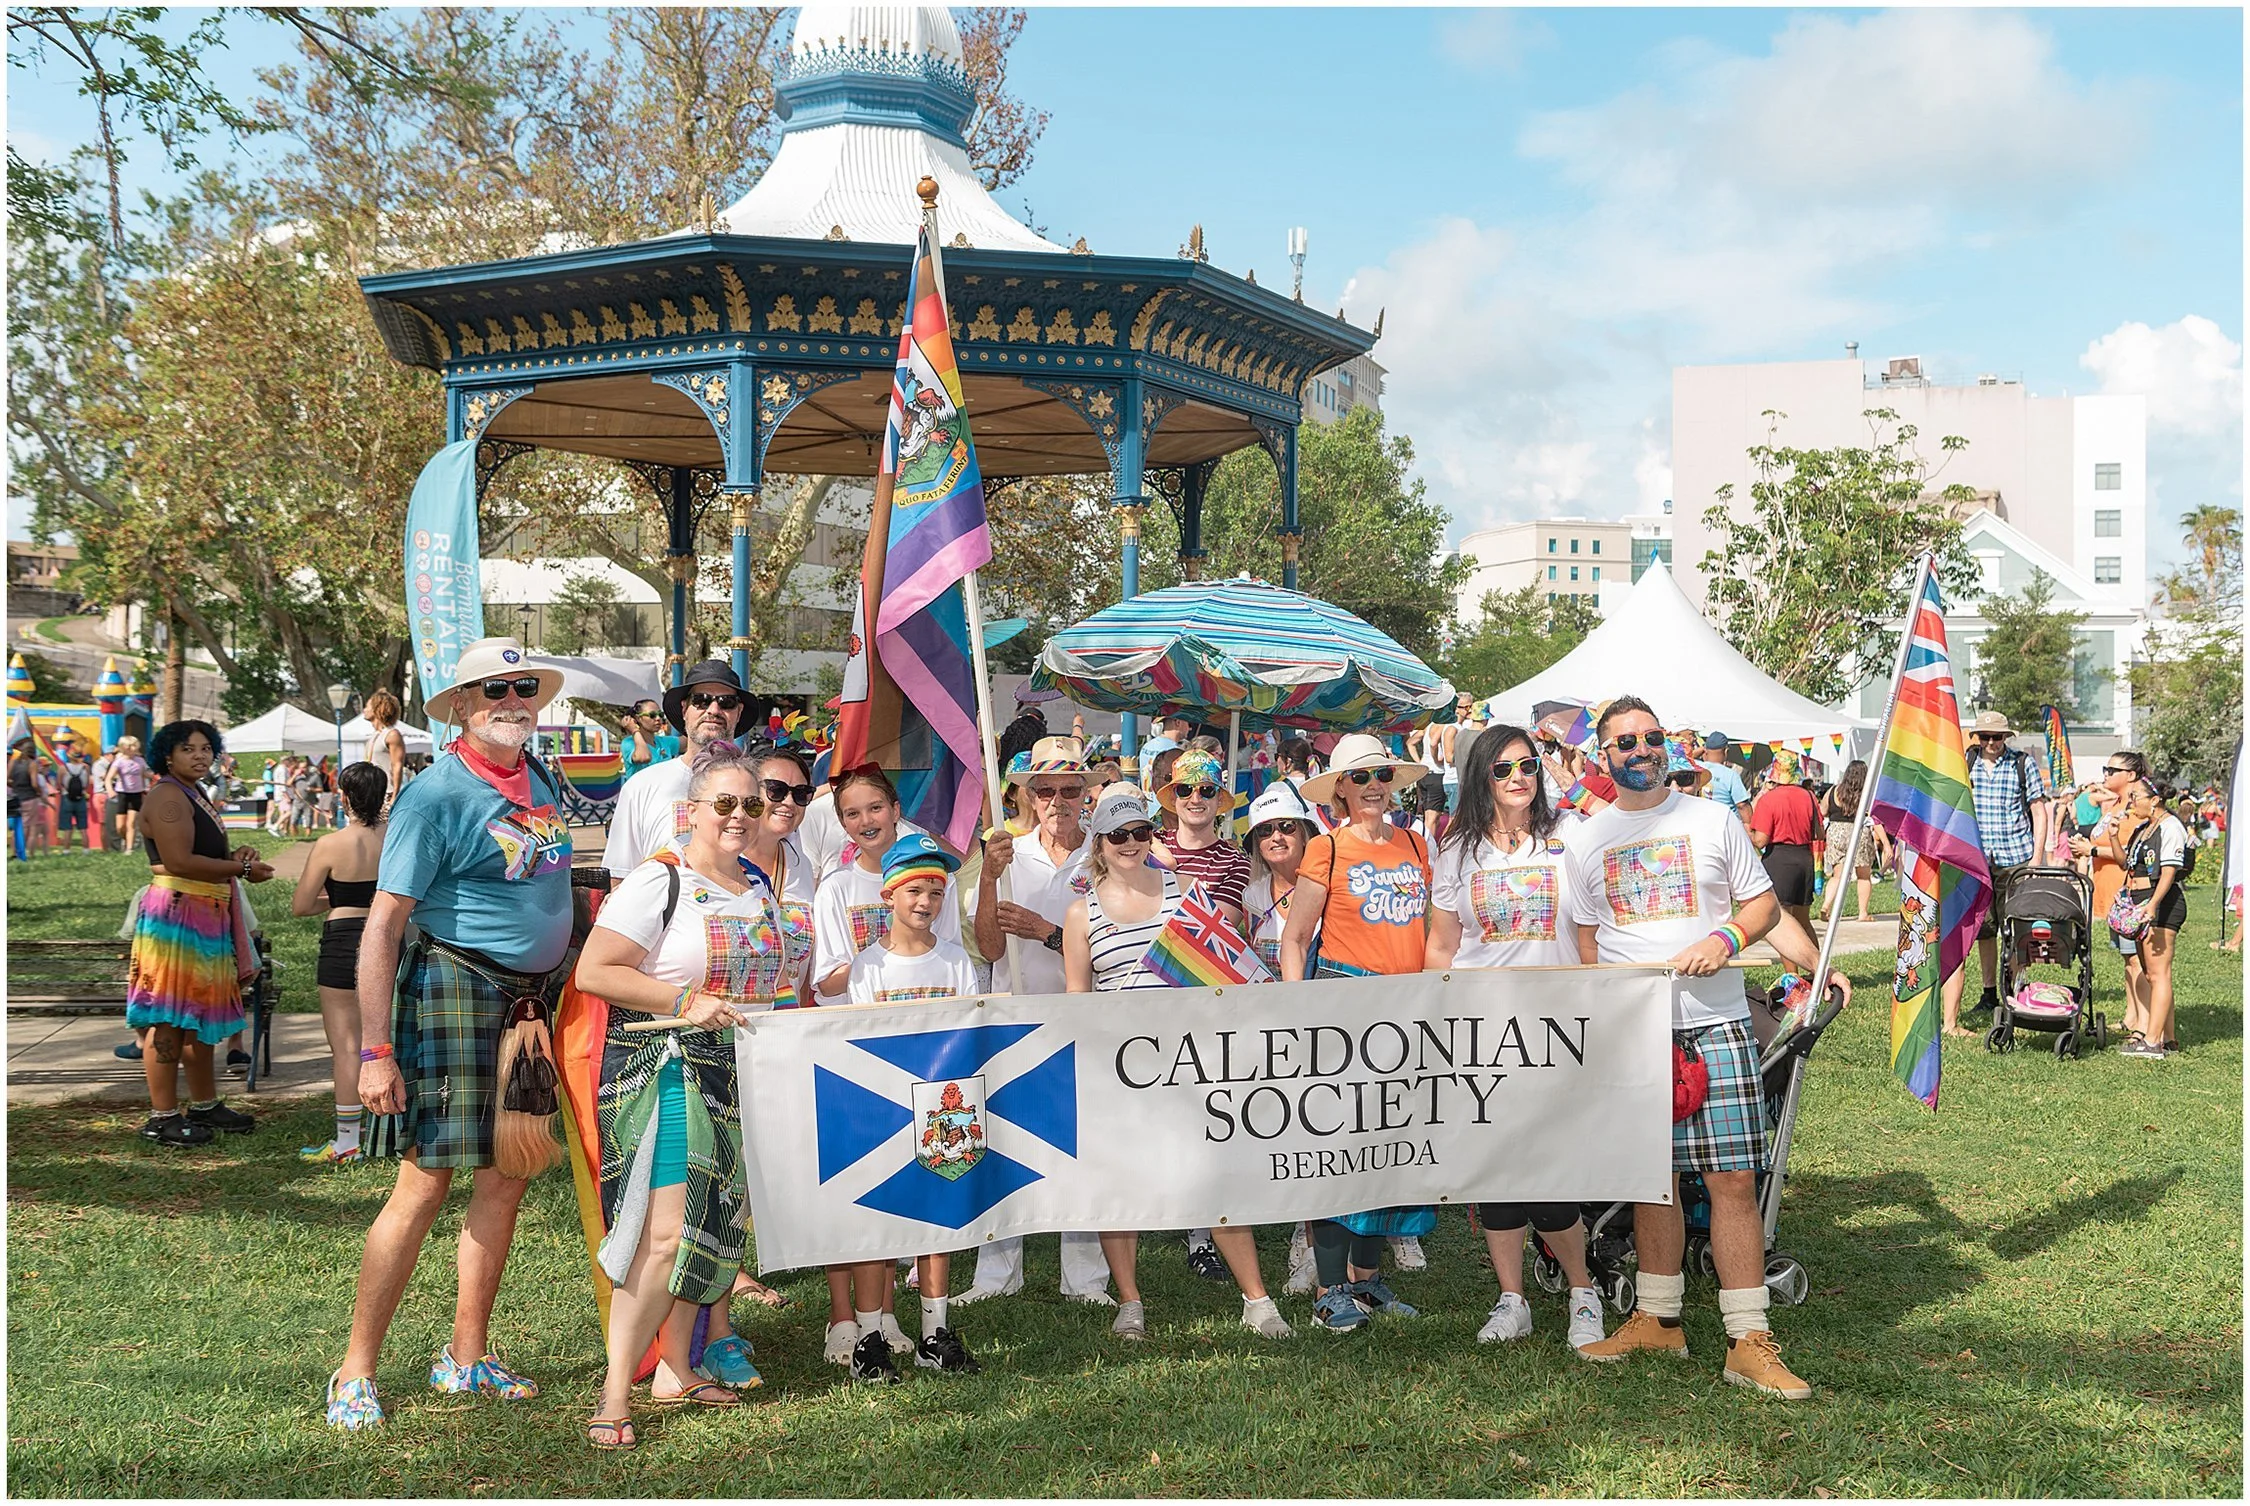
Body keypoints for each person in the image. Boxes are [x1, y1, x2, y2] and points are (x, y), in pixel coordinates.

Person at [326, 638, 574, 1430]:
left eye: (523, 686)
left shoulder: (541, 776)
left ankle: (466, 1357)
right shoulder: (433, 797)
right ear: (460, 704)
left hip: (530, 1005)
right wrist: (375, 1052)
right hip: (454, 991)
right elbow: (382, 927)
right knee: (425, 1183)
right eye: (493, 689)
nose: (512, 700)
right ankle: (355, 1369)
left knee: (507, 1174)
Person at [1564, 697, 1844, 1400]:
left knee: (1732, 1181)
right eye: (1625, 741)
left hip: (1716, 1023)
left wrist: (1729, 942)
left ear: (1666, 746)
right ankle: (1658, 1319)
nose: (1640, 748)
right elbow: (1587, 943)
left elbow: (1762, 906)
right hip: (1633, 1031)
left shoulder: (1713, 819)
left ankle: (1748, 1339)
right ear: (1604, 756)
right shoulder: (1586, 840)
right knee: (1649, 1179)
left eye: (1651, 736)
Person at [572, 739, 779, 1447]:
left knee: (712, 1224)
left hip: (740, 1073)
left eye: (751, 803)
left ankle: (676, 1370)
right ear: (690, 811)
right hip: (666, 1070)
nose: (739, 815)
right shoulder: (658, 879)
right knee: (662, 1236)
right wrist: (685, 1000)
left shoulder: (758, 885)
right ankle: (614, 1395)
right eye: (724, 803)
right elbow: (595, 971)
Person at [1424, 722, 1607, 1354]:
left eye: (1527, 765)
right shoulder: (1456, 853)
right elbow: (1442, 946)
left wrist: (1599, 1007)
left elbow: (1588, 938)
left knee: (1548, 1169)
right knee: (1496, 1170)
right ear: (1480, 776)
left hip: (1557, 1029)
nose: (1517, 778)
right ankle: (1512, 1299)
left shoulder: (1570, 836)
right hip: (1480, 1031)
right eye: (1502, 769)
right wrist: (1434, 1017)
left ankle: (1583, 1290)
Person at [1276, 732, 1434, 1332]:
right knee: (1339, 1149)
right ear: (1339, 788)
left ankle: (1367, 1281)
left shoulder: (1416, 844)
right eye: (1360, 776)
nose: (1373, 786)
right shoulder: (1326, 848)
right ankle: (1329, 1287)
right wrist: (1300, 1012)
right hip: (1345, 1004)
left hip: (1409, 1005)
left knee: (1393, 1142)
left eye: (1382, 775)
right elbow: (1295, 939)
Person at [806, 769, 960, 1368]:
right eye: (852, 812)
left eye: (876, 807)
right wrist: (883, 957)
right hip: (867, 1075)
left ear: (896, 808)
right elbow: (828, 983)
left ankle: (916, 1325)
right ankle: (853, 1323)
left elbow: (954, 984)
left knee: (930, 1203)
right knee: (867, 1199)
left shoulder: (939, 895)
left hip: (935, 1084)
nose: (866, 820)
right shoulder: (840, 893)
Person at [962, 736, 1114, 1306]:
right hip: (1016, 1014)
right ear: (1027, 794)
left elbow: (1115, 944)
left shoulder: (1106, 853)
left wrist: (1047, 933)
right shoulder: (1007, 853)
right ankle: (996, 1275)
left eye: (1070, 790)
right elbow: (989, 947)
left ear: (1085, 794)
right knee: (1005, 1142)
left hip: (1084, 1015)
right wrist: (987, 877)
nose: (1057, 801)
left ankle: (1086, 1280)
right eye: (1045, 790)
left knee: (1084, 1144)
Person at [840, 833, 987, 1379]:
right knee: (877, 1221)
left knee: (938, 1218)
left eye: (936, 892)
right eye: (914, 891)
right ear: (889, 895)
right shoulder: (867, 968)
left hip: (940, 1114)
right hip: (884, 1112)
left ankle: (934, 1332)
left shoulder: (954, 960)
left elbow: (967, 1032)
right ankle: (869, 1337)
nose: (925, 902)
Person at [123, 719, 276, 1144]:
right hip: (177, 916)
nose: (199, 756)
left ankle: (204, 1105)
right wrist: (241, 868)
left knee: (197, 1016)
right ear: (167, 755)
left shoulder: (193, 792)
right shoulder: (168, 795)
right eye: (188, 749)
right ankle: (162, 1117)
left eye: (206, 748)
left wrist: (235, 857)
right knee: (168, 1016)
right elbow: (179, 861)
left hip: (201, 912)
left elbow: (203, 854)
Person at [290, 762, 389, 1164]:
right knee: (388, 1041)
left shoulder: (330, 844)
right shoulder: (395, 837)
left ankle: (348, 1141)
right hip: (388, 938)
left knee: (347, 1047)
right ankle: (391, 1133)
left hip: (342, 940)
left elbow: (301, 905)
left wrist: (340, 898)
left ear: (344, 797)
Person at [1940, 710, 2053, 1037]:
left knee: (2016, 928)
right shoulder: (1966, 762)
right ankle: (1989, 993)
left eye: (1997, 737)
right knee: (1984, 930)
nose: (1991, 742)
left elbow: (2038, 811)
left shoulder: (2022, 763)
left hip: (2015, 857)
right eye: (1985, 737)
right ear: (1977, 738)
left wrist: (2037, 859)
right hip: (1975, 859)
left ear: (2007, 737)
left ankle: (2015, 992)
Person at [603, 661, 754, 878]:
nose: (713, 710)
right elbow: (620, 875)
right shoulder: (640, 787)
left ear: (738, 712)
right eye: (701, 701)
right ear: (684, 709)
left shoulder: (761, 789)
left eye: (727, 702)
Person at [2081, 753, 2186, 1059]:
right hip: (2140, 902)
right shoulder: (2144, 828)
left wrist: (2152, 905)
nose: (2131, 803)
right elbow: (2126, 862)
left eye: (2136, 797)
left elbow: (2168, 872)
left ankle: (2152, 1042)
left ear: (2154, 801)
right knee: (2152, 974)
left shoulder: (2170, 827)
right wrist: (2113, 837)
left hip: (2160, 904)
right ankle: (2168, 1038)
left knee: (2159, 973)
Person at [1747, 750, 1821, 934]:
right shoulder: (1809, 796)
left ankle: (1793, 956)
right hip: (1804, 858)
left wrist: (1746, 830)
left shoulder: (1768, 799)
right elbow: (1818, 833)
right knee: (1804, 922)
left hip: (1779, 859)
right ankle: (1814, 955)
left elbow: (1761, 841)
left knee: (1783, 922)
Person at [1817, 760, 1890, 925]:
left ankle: (1826, 906)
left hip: (1836, 832)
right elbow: (1875, 819)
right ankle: (1862, 913)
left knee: (1837, 875)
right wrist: (1886, 843)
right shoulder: (1867, 794)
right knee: (1863, 876)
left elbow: (1823, 811)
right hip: (1858, 832)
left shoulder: (1833, 790)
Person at [361, 690, 411, 812]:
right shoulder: (374, 736)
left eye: (367, 706)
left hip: (386, 793)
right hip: (372, 793)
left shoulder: (392, 734)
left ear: (378, 708)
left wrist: (395, 795)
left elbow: (397, 765)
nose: (364, 710)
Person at [107, 733, 150, 854]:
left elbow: (144, 773)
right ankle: (125, 839)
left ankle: (129, 848)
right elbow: (108, 778)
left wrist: (154, 776)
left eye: (135, 746)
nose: (133, 748)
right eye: (131, 746)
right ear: (124, 747)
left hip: (136, 793)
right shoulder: (119, 762)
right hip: (123, 793)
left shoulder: (140, 761)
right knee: (120, 826)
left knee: (131, 823)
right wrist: (110, 790)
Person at [1695, 733, 1753, 822]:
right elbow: (1742, 805)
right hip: (1725, 822)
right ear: (1726, 751)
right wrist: (1748, 825)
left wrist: (1702, 750)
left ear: (1705, 751)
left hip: (1700, 821)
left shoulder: (1695, 767)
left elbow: (1683, 757)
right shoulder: (1730, 775)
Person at [54, 733, 92, 853]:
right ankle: (86, 850)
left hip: (67, 798)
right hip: (80, 797)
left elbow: (58, 784)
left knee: (67, 827)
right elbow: (87, 784)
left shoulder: (63, 768)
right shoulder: (85, 768)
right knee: (83, 827)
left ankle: (66, 850)